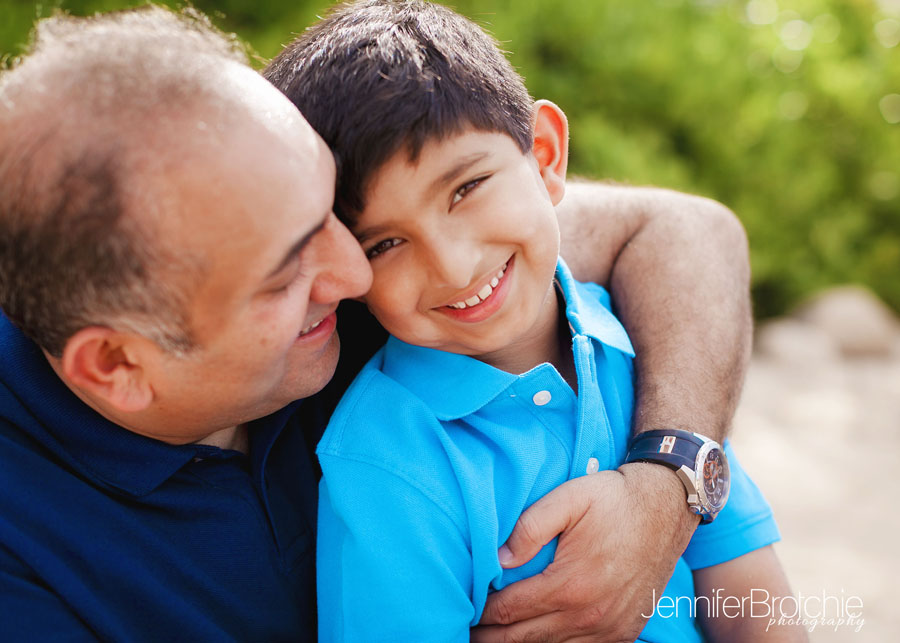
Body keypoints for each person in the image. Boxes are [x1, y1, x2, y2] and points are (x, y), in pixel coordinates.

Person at [0, 4, 761, 642]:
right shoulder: (25, 568)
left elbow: (682, 232)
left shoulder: (394, 273)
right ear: (116, 366)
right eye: (286, 271)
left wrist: (668, 487)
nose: (357, 274)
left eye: (334, 214)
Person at [265, 2, 805, 642]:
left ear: (546, 156)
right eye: (384, 244)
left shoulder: (643, 349)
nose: (453, 265)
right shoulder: (386, 460)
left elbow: (750, 596)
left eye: (465, 188)